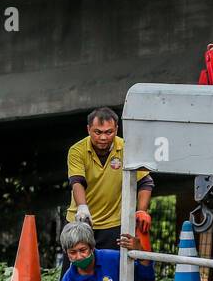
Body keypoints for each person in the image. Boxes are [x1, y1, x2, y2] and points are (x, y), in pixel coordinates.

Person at [66, 107, 154, 251]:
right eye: (98, 132)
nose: (103, 137)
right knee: (75, 269)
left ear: (117, 129)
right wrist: (82, 208)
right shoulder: (77, 150)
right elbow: (77, 182)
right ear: (88, 129)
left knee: (109, 271)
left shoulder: (127, 148)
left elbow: (145, 182)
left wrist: (141, 211)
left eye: (109, 132)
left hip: (113, 225)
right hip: (80, 221)